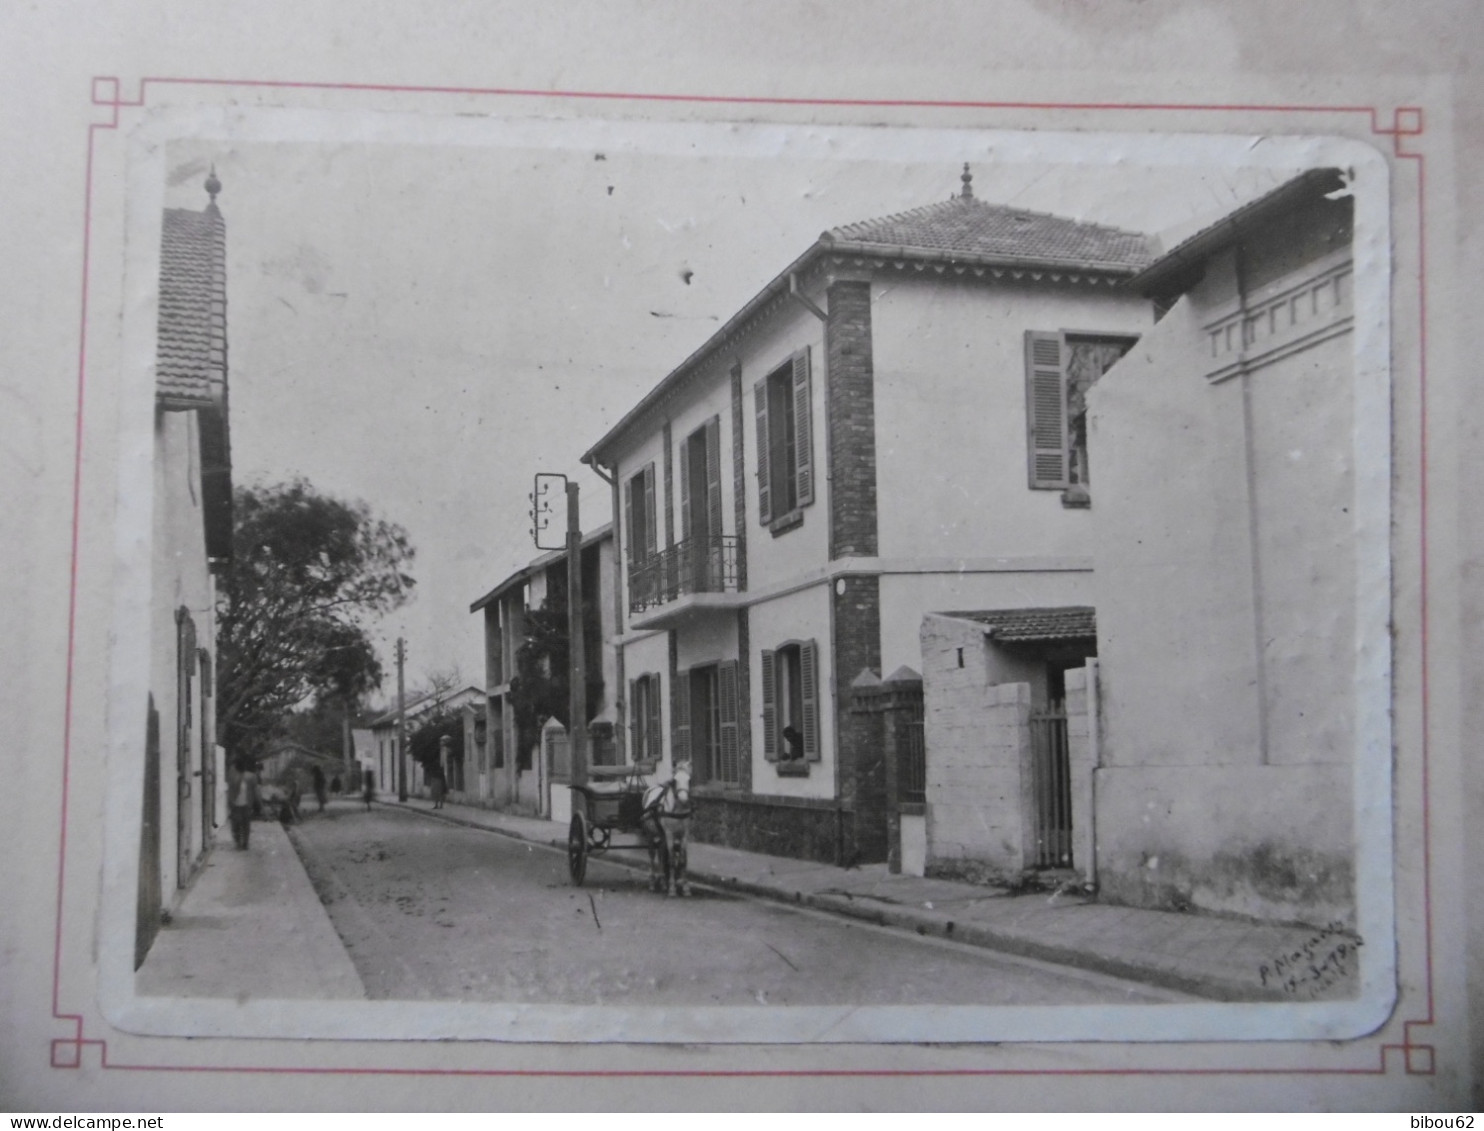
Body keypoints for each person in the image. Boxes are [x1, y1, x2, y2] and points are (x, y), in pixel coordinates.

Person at [228, 758, 260, 849]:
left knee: (244, 825)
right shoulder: (234, 777)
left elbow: (255, 791)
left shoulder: (250, 777)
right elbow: (230, 791)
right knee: (238, 825)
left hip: (245, 805)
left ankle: (244, 843)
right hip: (237, 805)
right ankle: (239, 842)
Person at [429, 737, 450, 809]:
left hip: (441, 773)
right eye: (441, 742)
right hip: (436, 773)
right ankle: (436, 804)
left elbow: (444, 762)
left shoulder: (445, 750)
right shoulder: (437, 751)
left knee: (441, 790)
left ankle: (441, 804)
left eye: (443, 742)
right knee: (436, 790)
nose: (441, 743)